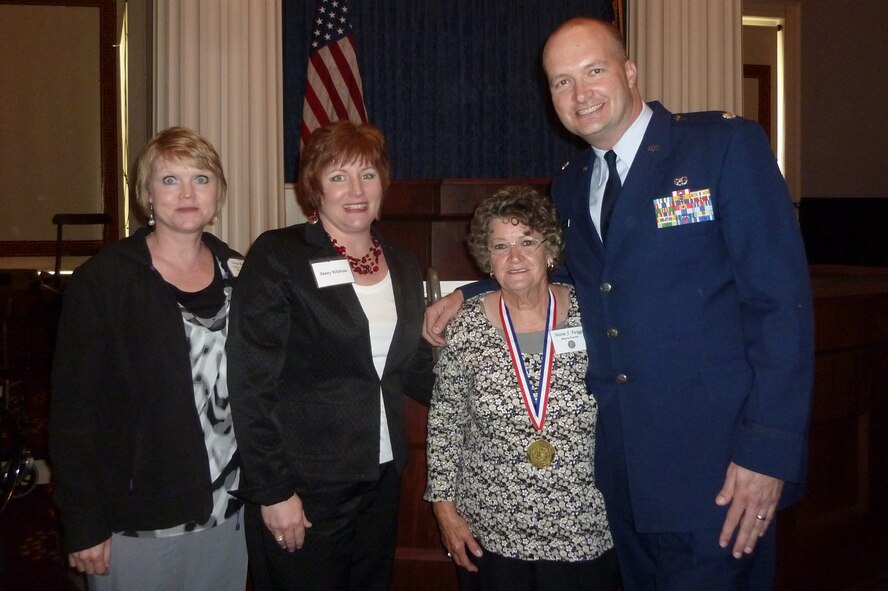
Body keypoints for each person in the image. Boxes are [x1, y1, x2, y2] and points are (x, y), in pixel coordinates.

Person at [423, 17, 814, 591]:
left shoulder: (720, 148)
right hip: (621, 476)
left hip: (718, 470)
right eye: (561, 82)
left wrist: (768, 451)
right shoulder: (573, 182)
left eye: (594, 71)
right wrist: (473, 290)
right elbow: (580, 279)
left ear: (629, 71)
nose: (579, 94)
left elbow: (781, 306)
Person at [226, 120, 434, 591]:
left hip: (381, 476)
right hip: (306, 484)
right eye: (338, 176)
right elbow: (250, 383)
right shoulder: (280, 256)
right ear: (314, 188)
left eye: (368, 174)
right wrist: (275, 491)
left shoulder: (400, 262)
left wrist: (488, 388)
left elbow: (408, 367)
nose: (356, 190)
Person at [49, 127, 247, 590]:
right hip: (139, 517)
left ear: (218, 193)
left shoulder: (242, 273)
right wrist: (84, 522)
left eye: (201, 179)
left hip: (229, 508)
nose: (186, 193)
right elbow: (73, 416)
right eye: (169, 180)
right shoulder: (102, 283)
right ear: (147, 195)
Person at [424, 186, 619, 590]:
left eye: (527, 241)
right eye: (500, 245)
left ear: (549, 250)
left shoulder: (594, 317)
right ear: (487, 258)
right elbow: (445, 424)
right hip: (491, 528)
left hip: (583, 525)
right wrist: (444, 509)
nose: (515, 257)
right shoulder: (466, 327)